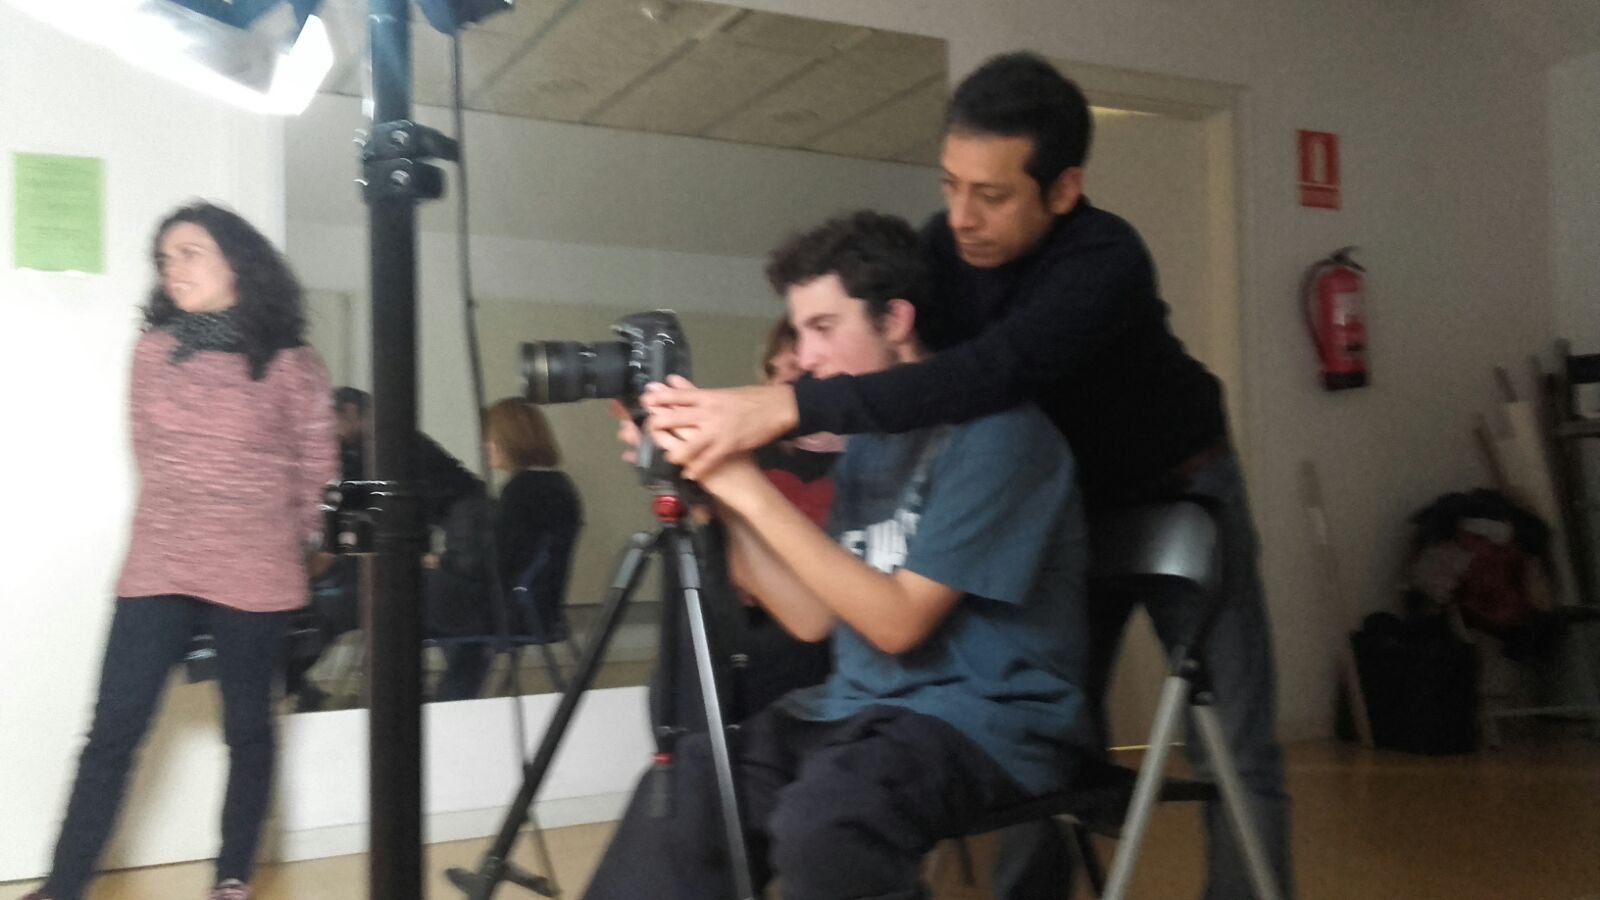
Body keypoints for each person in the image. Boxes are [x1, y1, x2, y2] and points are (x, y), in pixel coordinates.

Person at [641, 52, 1291, 900]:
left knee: (1232, 742)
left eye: (992, 195)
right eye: (950, 185)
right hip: (1054, 499)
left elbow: (987, 378)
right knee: (1045, 729)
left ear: (1063, 189)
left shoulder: (1106, 260)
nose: (961, 217)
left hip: (1181, 488)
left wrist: (788, 409)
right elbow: (895, 358)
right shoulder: (944, 250)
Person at [583, 210, 1093, 900]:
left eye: (824, 327)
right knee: (687, 787)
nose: (807, 356)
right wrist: (719, 497)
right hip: (854, 712)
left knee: (825, 824)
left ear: (897, 320)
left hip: (983, 721)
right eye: (799, 332)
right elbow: (812, 618)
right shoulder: (871, 445)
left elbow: (898, 624)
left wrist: (749, 486)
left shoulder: (999, 435)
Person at [25, 202, 338, 900]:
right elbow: (151, 455)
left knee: (248, 731)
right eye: (165, 259)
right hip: (160, 564)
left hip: (256, 573)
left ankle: (231, 879)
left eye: (190, 252)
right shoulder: (152, 353)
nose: (173, 268)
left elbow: (319, 471)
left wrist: (289, 540)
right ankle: (62, 888)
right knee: (111, 735)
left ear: (238, 262)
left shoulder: (293, 365)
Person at [425, 398, 583, 701]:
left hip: (513, 610)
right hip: (538, 606)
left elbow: (494, 564)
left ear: (510, 440)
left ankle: (447, 696)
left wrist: (443, 563)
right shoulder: (556, 485)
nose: (485, 447)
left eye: (490, 439)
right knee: (444, 601)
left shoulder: (522, 492)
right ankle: (454, 693)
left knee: (406, 597)